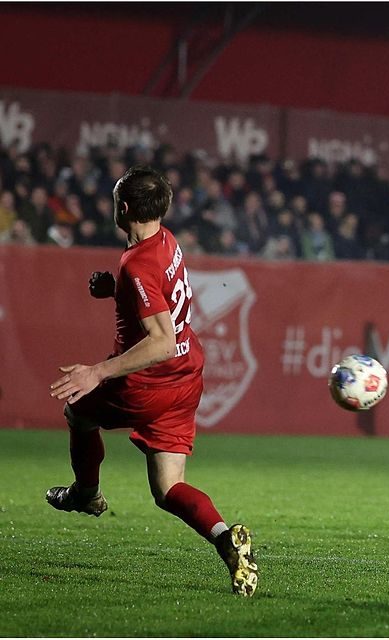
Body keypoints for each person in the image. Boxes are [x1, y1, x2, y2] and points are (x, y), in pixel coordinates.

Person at [44, 165, 259, 596]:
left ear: (122, 208)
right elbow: (158, 295)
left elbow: (161, 340)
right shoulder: (166, 241)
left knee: (77, 412)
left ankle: (86, 492)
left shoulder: (138, 264)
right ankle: (226, 540)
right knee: (167, 488)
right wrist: (117, 289)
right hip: (185, 378)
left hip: (148, 382)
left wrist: (98, 371)